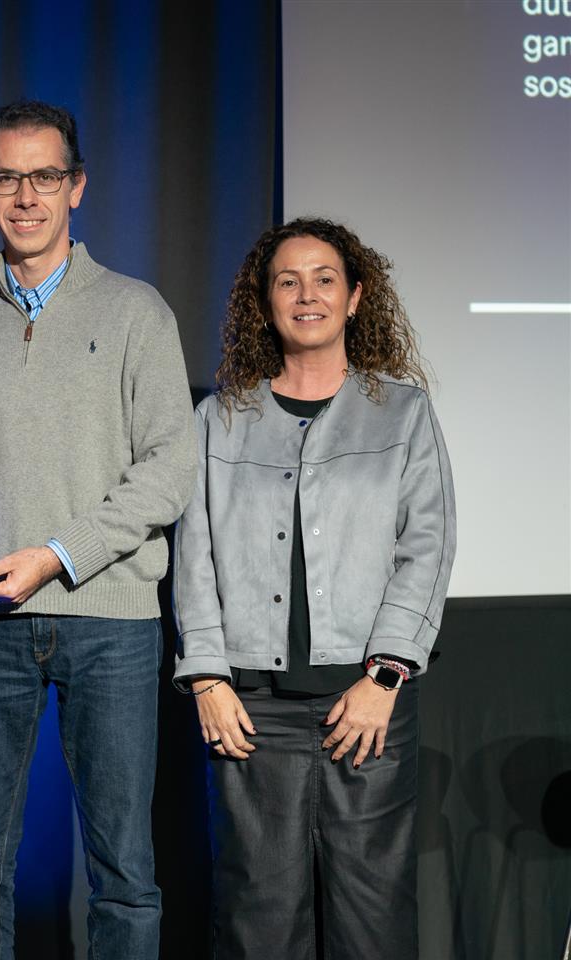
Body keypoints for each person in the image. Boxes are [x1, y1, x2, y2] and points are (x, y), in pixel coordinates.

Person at [0, 99, 197, 959]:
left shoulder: (138, 312)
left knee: (124, 868)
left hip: (114, 620)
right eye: (7, 177)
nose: (26, 195)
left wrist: (60, 556)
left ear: (77, 187)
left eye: (45, 176)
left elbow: (171, 468)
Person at [173, 217, 456, 958]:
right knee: (256, 916)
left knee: (372, 915)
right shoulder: (220, 420)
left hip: (366, 705)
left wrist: (385, 677)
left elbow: (426, 547)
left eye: (325, 279)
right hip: (250, 710)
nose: (308, 295)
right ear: (264, 302)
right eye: (288, 281)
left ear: (357, 296)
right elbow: (193, 555)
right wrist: (206, 677)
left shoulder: (403, 412)